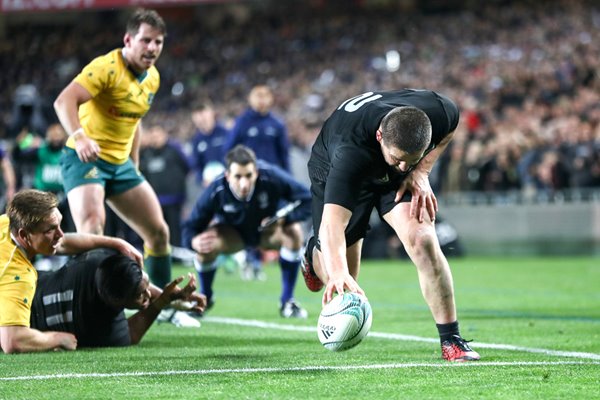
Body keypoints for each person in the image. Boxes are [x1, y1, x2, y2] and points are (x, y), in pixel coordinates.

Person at [301, 89, 480, 362]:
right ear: (380, 136)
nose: (402, 165)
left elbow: (448, 129)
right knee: (343, 284)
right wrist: (337, 273)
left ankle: (451, 339)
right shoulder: (350, 153)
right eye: (398, 159)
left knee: (424, 240)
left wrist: (420, 170)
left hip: (391, 171)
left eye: (411, 158)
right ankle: (311, 254)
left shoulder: (439, 112)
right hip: (336, 167)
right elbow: (333, 222)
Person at [52, 9, 174, 303]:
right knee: (93, 227)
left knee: (158, 233)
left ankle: (161, 305)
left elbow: (135, 121)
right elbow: (64, 100)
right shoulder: (107, 67)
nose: (152, 48)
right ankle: (91, 304)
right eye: (146, 41)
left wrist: (134, 163)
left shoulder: (152, 78)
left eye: (158, 42)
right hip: (85, 159)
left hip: (121, 165)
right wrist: (79, 136)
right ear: (128, 40)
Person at [0, 189, 143, 354]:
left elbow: (62, 243)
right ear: (24, 235)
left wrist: (116, 243)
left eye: (59, 225)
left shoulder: (6, 223)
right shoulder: (17, 275)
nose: (60, 233)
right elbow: (12, 340)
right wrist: (57, 338)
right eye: (50, 230)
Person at [182, 145, 311, 318]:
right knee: (205, 241)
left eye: (249, 175)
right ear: (227, 176)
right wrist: (193, 241)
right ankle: (205, 298)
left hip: (268, 234)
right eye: (238, 176)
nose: (244, 183)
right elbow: (190, 226)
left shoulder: (271, 176)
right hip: (234, 237)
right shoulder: (216, 189)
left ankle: (287, 301)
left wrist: (285, 219)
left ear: (256, 172)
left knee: (294, 232)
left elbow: (308, 199)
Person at [30, 248, 206, 347]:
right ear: (117, 303)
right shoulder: (98, 327)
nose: (148, 295)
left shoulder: (93, 262)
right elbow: (132, 335)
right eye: (139, 296)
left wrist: (171, 298)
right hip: (18, 325)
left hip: (20, 285)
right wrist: (161, 302)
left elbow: (130, 277)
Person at [139, 124, 190, 249]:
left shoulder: (174, 149)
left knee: (174, 228)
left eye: (158, 135)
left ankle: (178, 252)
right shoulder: (145, 153)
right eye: (153, 136)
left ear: (164, 135)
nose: (156, 138)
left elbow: (187, 166)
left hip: (174, 198)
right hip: (154, 200)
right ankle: (160, 253)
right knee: (158, 229)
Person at [189, 101, 229, 186]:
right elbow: (196, 165)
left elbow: (234, 155)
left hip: (229, 181)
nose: (202, 119)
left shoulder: (226, 133)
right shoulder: (196, 140)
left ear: (212, 113)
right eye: (198, 116)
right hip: (209, 184)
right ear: (194, 119)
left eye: (204, 114)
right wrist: (201, 179)